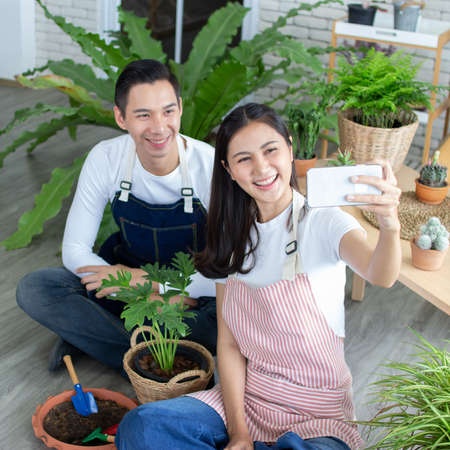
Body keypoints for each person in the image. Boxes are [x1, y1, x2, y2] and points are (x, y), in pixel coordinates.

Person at [115, 103, 401, 450]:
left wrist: (389, 225)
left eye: (271, 151)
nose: (262, 168)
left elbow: (380, 274)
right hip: (246, 401)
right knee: (142, 428)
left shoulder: (323, 221)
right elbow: (230, 345)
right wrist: (239, 434)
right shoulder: (229, 237)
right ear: (229, 169)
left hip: (317, 415)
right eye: (244, 158)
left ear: (290, 149)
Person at [16, 59, 217, 372]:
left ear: (179, 108)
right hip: (126, 288)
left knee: (228, 316)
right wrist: (132, 285)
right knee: (38, 288)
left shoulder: (210, 166)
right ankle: (159, 359)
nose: (159, 127)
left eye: (167, 111)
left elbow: (229, 274)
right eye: (143, 115)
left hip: (192, 295)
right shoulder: (105, 158)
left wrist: (160, 287)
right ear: (121, 117)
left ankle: (96, 339)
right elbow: (75, 250)